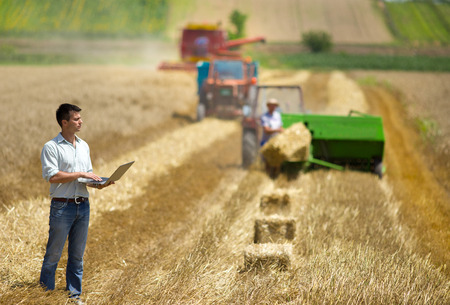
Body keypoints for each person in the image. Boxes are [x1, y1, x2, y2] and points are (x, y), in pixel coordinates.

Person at [39, 103, 113, 304]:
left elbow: (86, 177)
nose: (81, 121)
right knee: (53, 254)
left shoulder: (84, 145)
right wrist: (80, 173)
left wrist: (100, 184)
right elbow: (52, 176)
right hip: (62, 206)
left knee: (77, 256)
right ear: (64, 122)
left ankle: (74, 295)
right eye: (76, 119)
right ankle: (46, 295)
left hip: (83, 205)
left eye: (80, 118)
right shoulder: (51, 147)